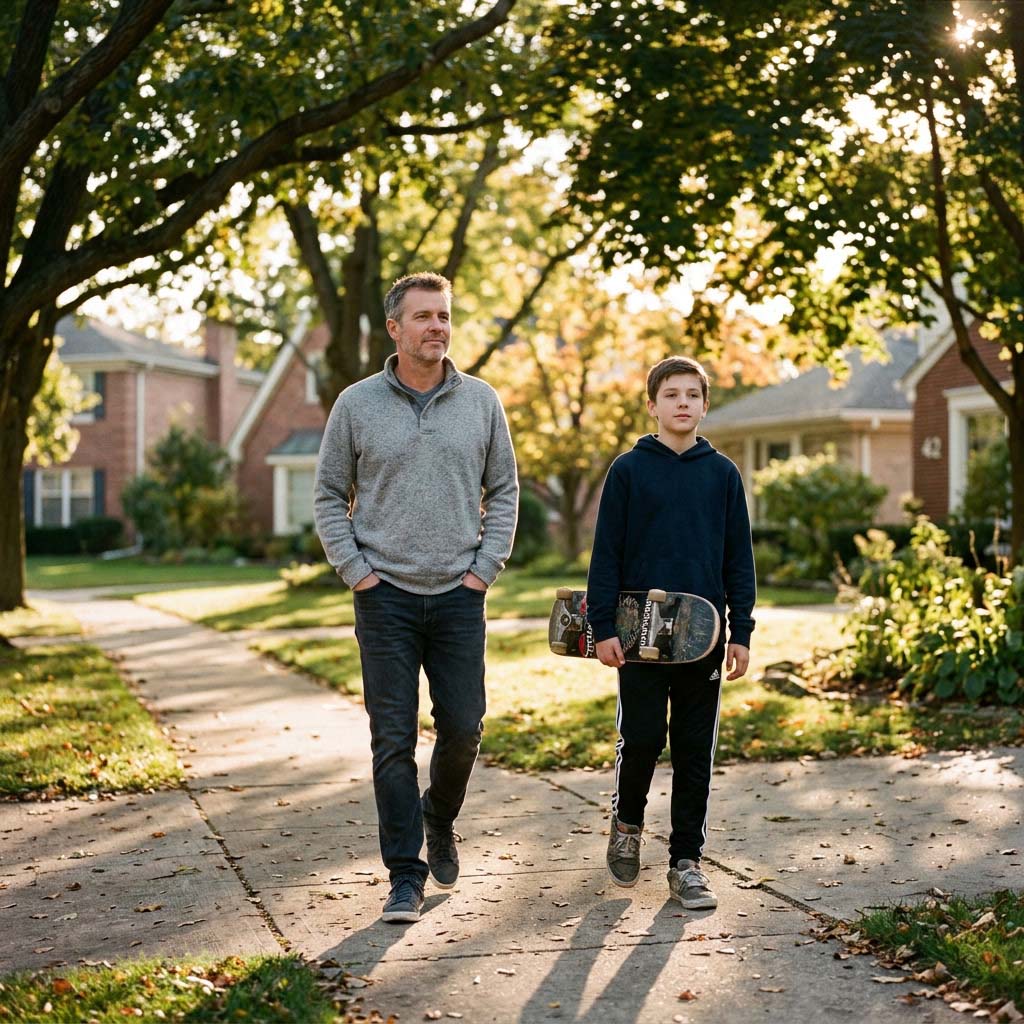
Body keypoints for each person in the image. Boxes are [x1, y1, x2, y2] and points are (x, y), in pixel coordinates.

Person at [314, 272, 518, 924]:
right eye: (424, 316)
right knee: (392, 741)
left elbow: (506, 490)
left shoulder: (482, 402)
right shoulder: (355, 405)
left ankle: (440, 815)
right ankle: (406, 875)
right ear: (394, 328)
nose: (438, 326)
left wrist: (484, 570)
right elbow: (326, 495)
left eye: (445, 316)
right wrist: (357, 573)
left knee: (463, 728)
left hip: (461, 595)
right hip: (386, 600)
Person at [586, 355, 755, 909]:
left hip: (702, 639)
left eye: (692, 395)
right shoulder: (628, 470)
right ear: (653, 404)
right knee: (641, 741)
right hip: (637, 636)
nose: (683, 403)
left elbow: (739, 563)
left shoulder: (723, 474)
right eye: (671, 394)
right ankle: (628, 826)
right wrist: (603, 626)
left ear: (705, 405)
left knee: (692, 748)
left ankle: (686, 861)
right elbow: (606, 555)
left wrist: (741, 632)